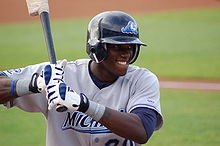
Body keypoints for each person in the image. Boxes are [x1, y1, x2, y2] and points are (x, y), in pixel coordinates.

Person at [0, 11, 163, 146]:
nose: (125, 53)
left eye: (130, 47)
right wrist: (36, 84)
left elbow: (141, 132)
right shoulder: (60, 73)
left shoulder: (142, 80)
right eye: (116, 47)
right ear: (96, 47)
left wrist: (84, 105)